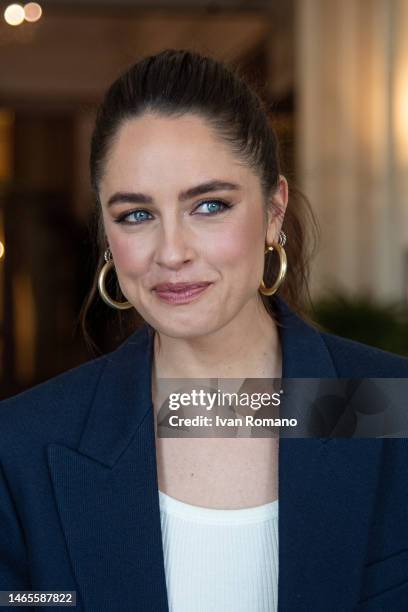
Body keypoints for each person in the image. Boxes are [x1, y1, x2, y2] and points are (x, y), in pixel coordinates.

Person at [1, 49, 408, 612]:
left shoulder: (388, 407)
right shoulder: (25, 445)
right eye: (136, 215)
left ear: (273, 210)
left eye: (209, 205)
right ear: (106, 233)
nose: (171, 253)